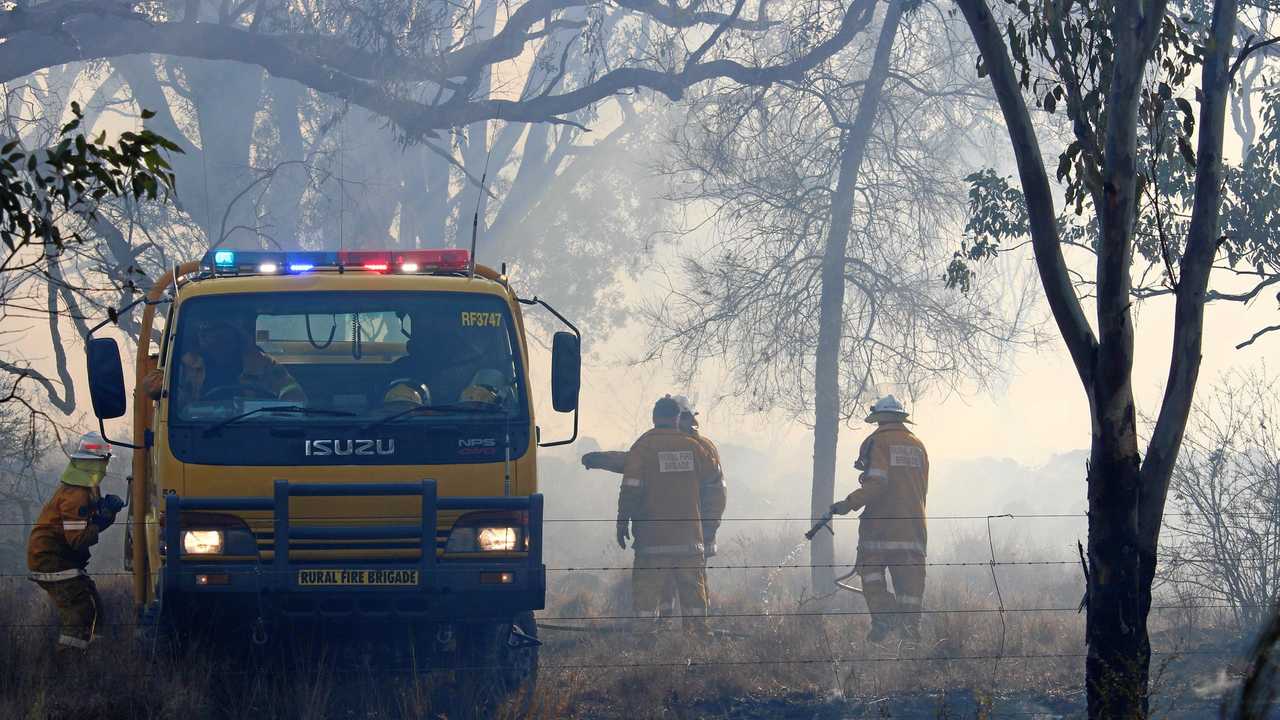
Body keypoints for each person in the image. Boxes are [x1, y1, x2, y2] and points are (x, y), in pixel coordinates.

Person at [830, 395, 930, 643]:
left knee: (872, 575)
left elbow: (876, 483)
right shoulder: (918, 445)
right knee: (911, 587)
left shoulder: (877, 442)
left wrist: (848, 503)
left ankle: (886, 618)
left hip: (880, 528)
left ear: (880, 418)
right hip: (914, 528)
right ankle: (910, 633)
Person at [616, 396, 721, 633]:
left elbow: (630, 490)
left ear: (654, 418)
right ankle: (697, 645)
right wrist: (709, 527)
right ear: (677, 418)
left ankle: (646, 645)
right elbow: (714, 485)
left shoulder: (642, 448)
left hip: (651, 543)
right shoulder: (696, 448)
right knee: (695, 601)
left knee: (645, 601)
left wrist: (622, 522)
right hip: (690, 542)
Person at [27, 432, 124, 656]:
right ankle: (67, 667)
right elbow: (78, 539)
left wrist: (105, 515)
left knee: (95, 609)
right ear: (94, 463)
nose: (106, 466)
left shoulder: (86, 490)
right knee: (80, 613)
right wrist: (103, 517)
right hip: (51, 560)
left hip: (62, 559)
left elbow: (86, 529)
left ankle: (93, 660)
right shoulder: (76, 496)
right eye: (104, 460)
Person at [143, 318, 305, 403]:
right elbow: (151, 385)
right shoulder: (187, 365)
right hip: (198, 434)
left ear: (233, 334)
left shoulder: (262, 364)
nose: (206, 336)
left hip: (254, 432)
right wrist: (162, 385)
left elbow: (295, 396)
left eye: (214, 330)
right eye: (203, 332)